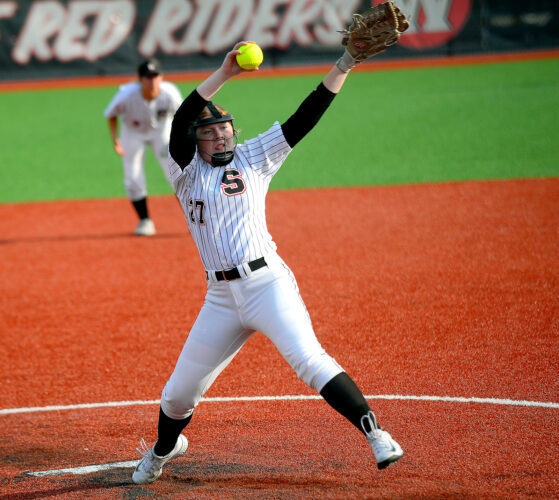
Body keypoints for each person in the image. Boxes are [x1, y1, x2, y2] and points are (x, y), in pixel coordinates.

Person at [132, 41, 404, 485]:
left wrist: (345, 64)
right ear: (195, 142)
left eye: (225, 129)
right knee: (179, 394)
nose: (220, 136)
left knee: (308, 360)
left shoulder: (254, 156)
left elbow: (304, 118)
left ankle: (377, 435)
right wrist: (226, 72)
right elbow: (181, 118)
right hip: (220, 297)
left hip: (266, 284)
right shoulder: (185, 171)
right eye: (210, 132)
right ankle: (163, 450)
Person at [104, 58, 183, 236]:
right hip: (133, 133)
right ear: (140, 79)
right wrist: (115, 140)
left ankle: (194, 220)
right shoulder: (126, 95)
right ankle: (145, 221)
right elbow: (111, 114)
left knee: (176, 173)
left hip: (162, 131)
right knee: (133, 177)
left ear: (161, 77)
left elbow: (183, 117)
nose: (152, 80)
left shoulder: (170, 93)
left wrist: (180, 140)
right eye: (148, 77)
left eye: (156, 76)